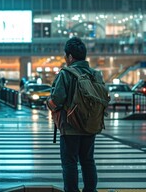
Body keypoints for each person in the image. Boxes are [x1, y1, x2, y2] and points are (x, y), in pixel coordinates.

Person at [47, 37, 100, 192]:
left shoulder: (66, 74)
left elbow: (57, 100)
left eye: (66, 56)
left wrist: (48, 103)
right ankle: (91, 190)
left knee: (70, 163)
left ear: (70, 57)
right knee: (88, 161)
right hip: (91, 125)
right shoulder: (94, 74)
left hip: (70, 127)